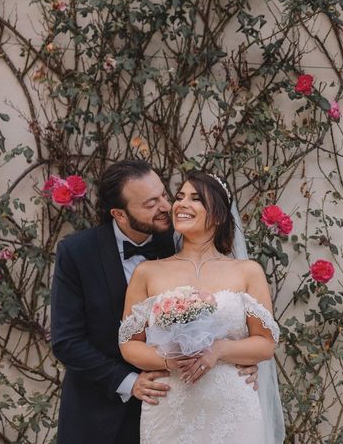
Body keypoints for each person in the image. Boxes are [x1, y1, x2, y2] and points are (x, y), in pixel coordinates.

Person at [50, 160, 259, 443]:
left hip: (178, 405)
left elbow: (222, 311)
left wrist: (233, 360)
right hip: (100, 411)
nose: (165, 206)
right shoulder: (77, 253)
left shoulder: (178, 240)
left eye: (163, 194)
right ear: (119, 214)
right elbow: (68, 341)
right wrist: (130, 382)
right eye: (150, 203)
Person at [118, 171, 280, 443]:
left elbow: (265, 343)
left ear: (217, 214)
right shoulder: (148, 272)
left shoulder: (247, 272)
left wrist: (219, 350)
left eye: (195, 199)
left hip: (232, 406)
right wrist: (168, 360)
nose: (181, 204)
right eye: (179, 197)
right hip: (170, 405)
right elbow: (129, 344)